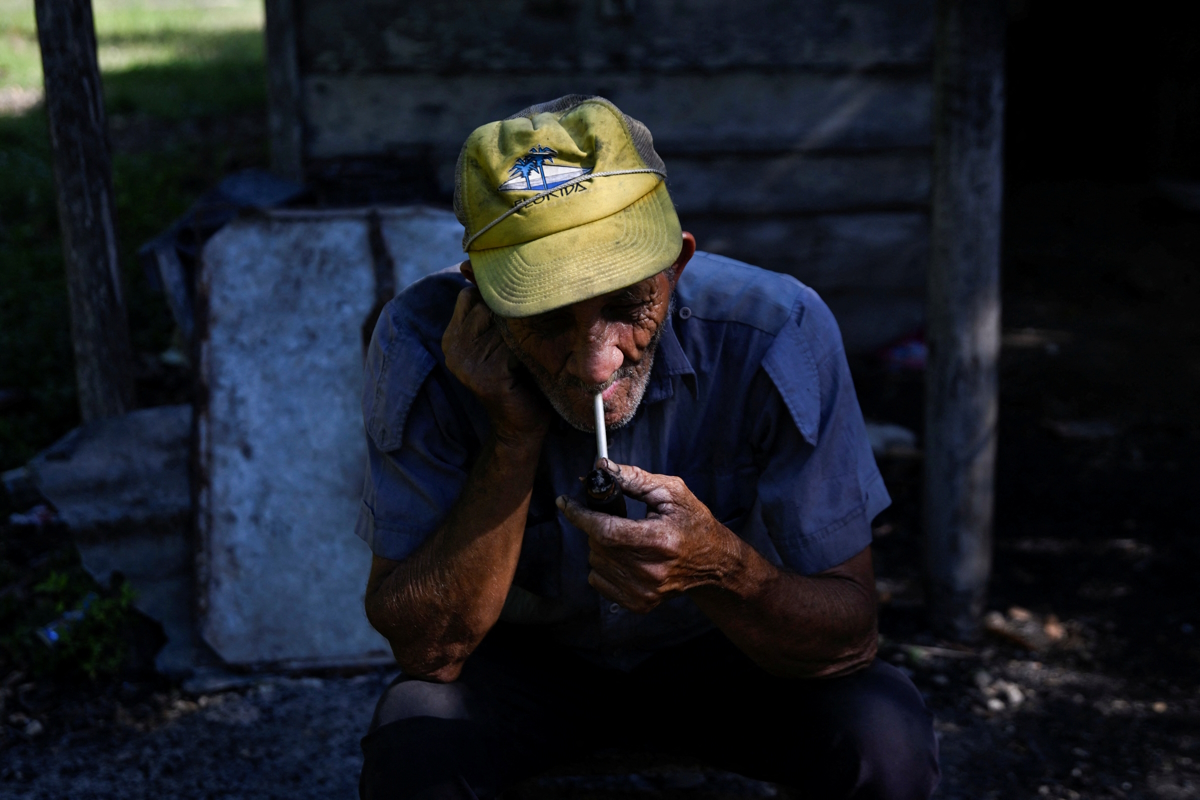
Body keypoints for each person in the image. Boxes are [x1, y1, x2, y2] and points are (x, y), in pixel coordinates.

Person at [355, 95, 939, 800]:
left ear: (676, 266)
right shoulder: (422, 343)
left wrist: (721, 569)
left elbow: (849, 640)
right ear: (481, 294)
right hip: (528, 665)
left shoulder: (775, 331)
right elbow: (426, 652)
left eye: (627, 306)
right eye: (546, 318)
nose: (595, 363)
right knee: (414, 741)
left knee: (883, 737)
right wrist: (511, 437)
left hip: (725, 654)